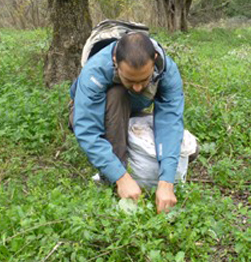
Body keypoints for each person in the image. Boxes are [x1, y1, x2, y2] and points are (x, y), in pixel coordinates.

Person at [69, 32, 184, 214]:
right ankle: (112, 177)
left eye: (144, 80)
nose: (138, 87)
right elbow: (87, 130)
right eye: (130, 80)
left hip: (131, 109)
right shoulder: (95, 70)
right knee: (117, 94)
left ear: (154, 60)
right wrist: (121, 177)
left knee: (187, 149)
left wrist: (166, 181)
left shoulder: (167, 70)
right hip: (92, 111)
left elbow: (170, 121)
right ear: (115, 60)